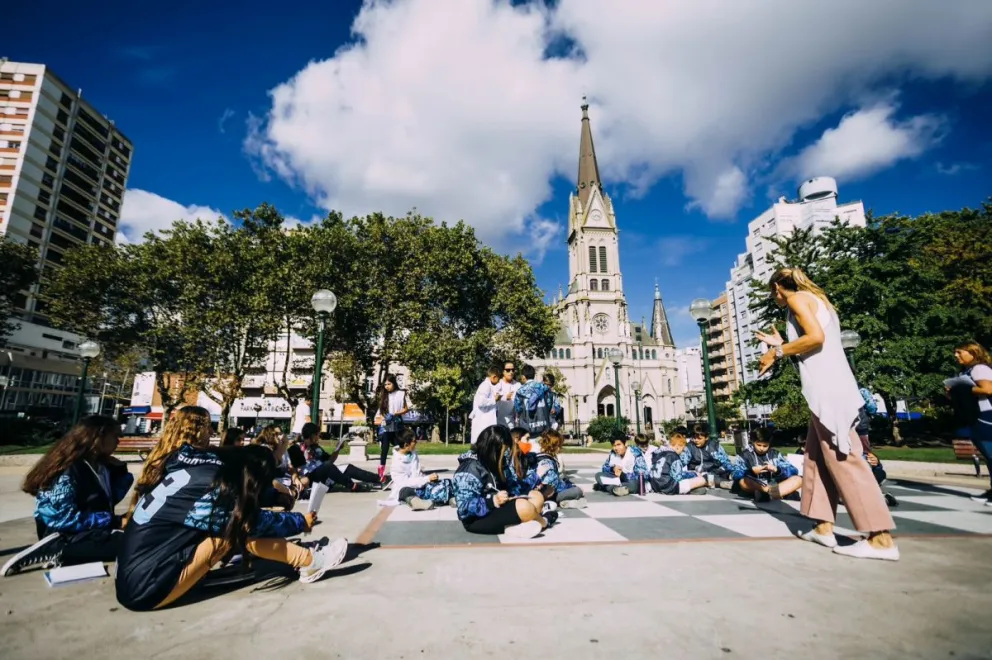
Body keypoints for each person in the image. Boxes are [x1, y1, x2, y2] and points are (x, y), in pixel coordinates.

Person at [757, 267, 897, 560]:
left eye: (773, 293)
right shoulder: (818, 301)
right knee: (815, 458)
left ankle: (879, 538)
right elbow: (814, 341)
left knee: (845, 459)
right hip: (828, 391)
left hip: (829, 393)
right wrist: (781, 344)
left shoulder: (797, 299)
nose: (775, 298)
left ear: (778, 288)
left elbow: (815, 338)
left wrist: (776, 352)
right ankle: (822, 527)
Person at [115, 444, 348, 611]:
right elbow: (251, 521)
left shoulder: (201, 472)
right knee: (235, 528)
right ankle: (308, 561)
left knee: (228, 524)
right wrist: (299, 521)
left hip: (134, 573)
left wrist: (272, 498)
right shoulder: (212, 488)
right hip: (145, 588)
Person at [3, 416, 134, 577]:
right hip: (63, 534)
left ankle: (70, 554)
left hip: (88, 531)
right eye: (115, 436)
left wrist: (120, 471)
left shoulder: (100, 465)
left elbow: (108, 499)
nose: (118, 441)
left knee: (138, 537)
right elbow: (60, 518)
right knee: (132, 544)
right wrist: (115, 521)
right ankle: (56, 549)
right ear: (98, 436)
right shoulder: (69, 469)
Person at [452, 426, 553, 539]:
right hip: (478, 518)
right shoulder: (469, 469)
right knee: (524, 507)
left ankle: (516, 526)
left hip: (499, 507)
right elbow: (463, 509)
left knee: (536, 497)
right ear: (493, 449)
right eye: (504, 450)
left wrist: (528, 487)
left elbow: (511, 484)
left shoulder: (498, 461)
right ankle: (544, 521)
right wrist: (492, 501)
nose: (507, 454)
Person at [129, 406, 214, 518]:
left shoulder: (160, 458)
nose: (212, 432)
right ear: (195, 430)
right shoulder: (193, 464)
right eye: (208, 427)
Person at [948, 341, 992, 505]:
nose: (956, 355)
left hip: (987, 416)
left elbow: (988, 389)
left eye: (960, 352)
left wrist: (963, 389)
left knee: (991, 453)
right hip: (975, 416)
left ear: (973, 353)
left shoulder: (979, 368)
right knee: (988, 456)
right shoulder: (965, 371)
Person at [287, 424, 382, 493]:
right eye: (317, 435)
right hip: (310, 479)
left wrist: (337, 449)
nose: (318, 438)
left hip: (324, 472)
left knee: (347, 467)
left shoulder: (316, 447)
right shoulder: (296, 448)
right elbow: (293, 469)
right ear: (312, 435)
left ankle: (379, 479)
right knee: (327, 466)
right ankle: (352, 486)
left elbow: (330, 461)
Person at [388, 429, 455, 510]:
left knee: (447, 482)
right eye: (414, 441)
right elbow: (406, 482)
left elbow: (416, 473)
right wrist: (426, 479)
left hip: (420, 483)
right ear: (406, 445)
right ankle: (417, 502)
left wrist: (428, 478)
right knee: (405, 491)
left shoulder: (412, 453)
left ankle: (450, 498)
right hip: (409, 487)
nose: (416, 443)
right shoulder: (396, 463)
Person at [732, 428, 802, 502]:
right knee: (743, 482)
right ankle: (776, 493)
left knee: (798, 479)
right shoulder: (744, 455)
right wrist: (751, 471)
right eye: (759, 445)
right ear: (753, 442)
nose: (761, 448)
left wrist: (777, 470)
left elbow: (794, 470)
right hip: (756, 485)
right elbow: (734, 474)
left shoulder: (775, 454)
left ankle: (768, 494)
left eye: (765, 446)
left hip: (776, 485)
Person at [647, 428, 708, 496]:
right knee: (702, 480)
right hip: (669, 487)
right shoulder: (674, 456)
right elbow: (678, 477)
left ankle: (691, 489)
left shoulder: (657, 453)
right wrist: (693, 474)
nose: (682, 452)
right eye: (682, 450)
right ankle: (690, 489)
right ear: (678, 447)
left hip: (655, 486)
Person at [535, 429, 586, 508]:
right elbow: (553, 486)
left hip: (537, 492)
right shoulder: (549, 462)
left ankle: (565, 501)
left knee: (568, 483)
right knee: (579, 490)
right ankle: (560, 501)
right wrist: (569, 486)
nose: (560, 448)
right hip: (549, 495)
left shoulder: (538, 457)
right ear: (554, 446)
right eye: (559, 446)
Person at [682, 424, 738, 488]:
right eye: (694, 438)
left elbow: (726, 461)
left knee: (733, 472)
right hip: (699, 473)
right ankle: (726, 484)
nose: (696, 440)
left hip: (717, 470)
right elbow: (682, 462)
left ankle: (737, 481)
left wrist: (726, 469)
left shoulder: (715, 446)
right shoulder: (690, 447)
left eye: (699, 438)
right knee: (706, 476)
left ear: (706, 438)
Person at [376, 374, 409, 482]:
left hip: (397, 424)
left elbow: (405, 409)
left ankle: (404, 468)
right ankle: (381, 471)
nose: (387, 386)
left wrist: (395, 413)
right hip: (386, 424)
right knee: (384, 448)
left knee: (399, 447)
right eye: (385, 384)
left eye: (389, 384)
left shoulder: (401, 394)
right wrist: (382, 418)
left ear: (394, 383)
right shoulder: (384, 396)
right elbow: (381, 412)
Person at [514, 364, 554, 436]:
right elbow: (549, 404)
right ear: (534, 375)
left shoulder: (520, 391)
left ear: (523, 377)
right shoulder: (544, 387)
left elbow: (518, 409)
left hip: (527, 428)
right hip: (543, 427)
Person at [469, 365, 501, 445]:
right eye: (498, 378)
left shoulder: (488, 385)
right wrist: (494, 399)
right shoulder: (485, 385)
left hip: (485, 420)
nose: (499, 381)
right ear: (494, 377)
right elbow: (481, 402)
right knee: (483, 443)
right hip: (483, 421)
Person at [493, 361, 520, 428]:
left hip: (513, 423)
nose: (511, 372)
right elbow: (493, 399)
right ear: (503, 371)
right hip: (497, 422)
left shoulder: (518, 385)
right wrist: (504, 397)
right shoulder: (497, 384)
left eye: (513, 370)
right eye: (508, 370)